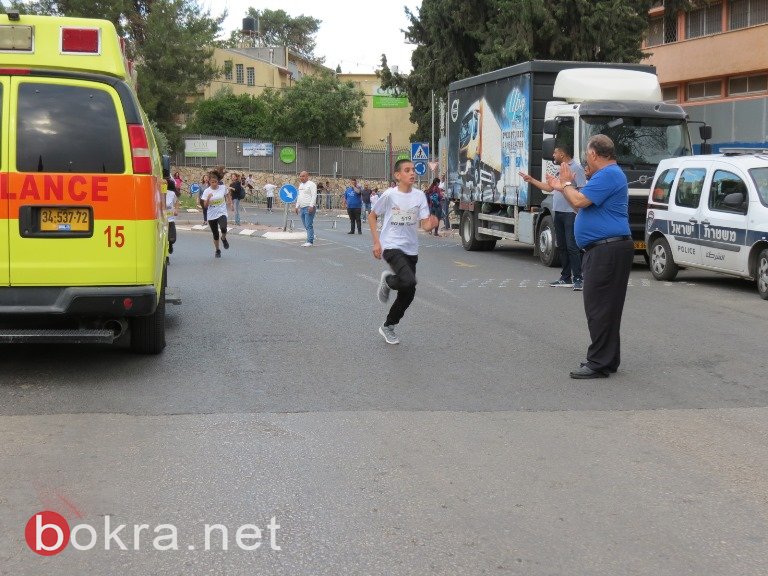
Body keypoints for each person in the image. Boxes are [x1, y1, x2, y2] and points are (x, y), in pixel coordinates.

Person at [546, 134, 633, 379]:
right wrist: (563, 188)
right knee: (605, 307)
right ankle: (608, 359)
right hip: (605, 249)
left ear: (594, 154)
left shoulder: (608, 175)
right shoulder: (607, 176)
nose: (586, 158)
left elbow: (580, 199)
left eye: (587, 154)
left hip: (607, 249)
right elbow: (579, 206)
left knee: (599, 307)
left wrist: (565, 184)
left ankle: (598, 362)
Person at [370, 159, 439, 345]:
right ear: (397, 175)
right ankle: (389, 280)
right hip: (390, 245)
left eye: (413, 170)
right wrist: (377, 242)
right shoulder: (390, 195)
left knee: (408, 292)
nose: (412, 173)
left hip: (411, 248)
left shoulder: (419, 197)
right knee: (408, 280)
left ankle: (388, 326)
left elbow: (424, 225)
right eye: (407, 170)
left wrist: (431, 225)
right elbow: (372, 215)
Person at [521, 143, 587, 290]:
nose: (553, 156)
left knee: (572, 247)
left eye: (555, 153)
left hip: (571, 213)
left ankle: (578, 278)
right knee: (562, 246)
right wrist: (531, 180)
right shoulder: (561, 169)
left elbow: (582, 190)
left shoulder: (576, 168)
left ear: (562, 154)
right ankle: (565, 277)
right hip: (559, 212)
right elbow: (550, 187)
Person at [202, 169, 233, 258]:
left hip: (221, 212)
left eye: (215, 182)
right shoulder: (207, 191)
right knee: (215, 234)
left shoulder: (222, 188)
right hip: (211, 215)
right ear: (209, 182)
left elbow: (227, 195)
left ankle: (223, 238)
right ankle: (217, 250)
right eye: (212, 182)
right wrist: (208, 198)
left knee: (223, 228)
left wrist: (230, 204)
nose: (214, 184)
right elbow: (205, 206)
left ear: (218, 181)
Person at [295, 171, 317, 247]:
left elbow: (314, 195)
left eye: (303, 176)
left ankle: (309, 241)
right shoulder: (300, 185)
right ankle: (312, 235)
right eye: (300, 176)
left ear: (307, 176)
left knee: (308, 224)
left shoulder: (311, 184)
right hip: (302, 207)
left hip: (309, 207)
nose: (301, 177)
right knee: (305, 224)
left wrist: (311, 206)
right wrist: (297, 206)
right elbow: (299, 196)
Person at [165, 176, 179, 255]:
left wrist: (176, 210)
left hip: (170, 219)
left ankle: (170, 245)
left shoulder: (171, 193)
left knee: (172, 238)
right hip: (162, 220)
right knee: (164, 239)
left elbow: (177, 202)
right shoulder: (158, 193)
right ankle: (166, 256)